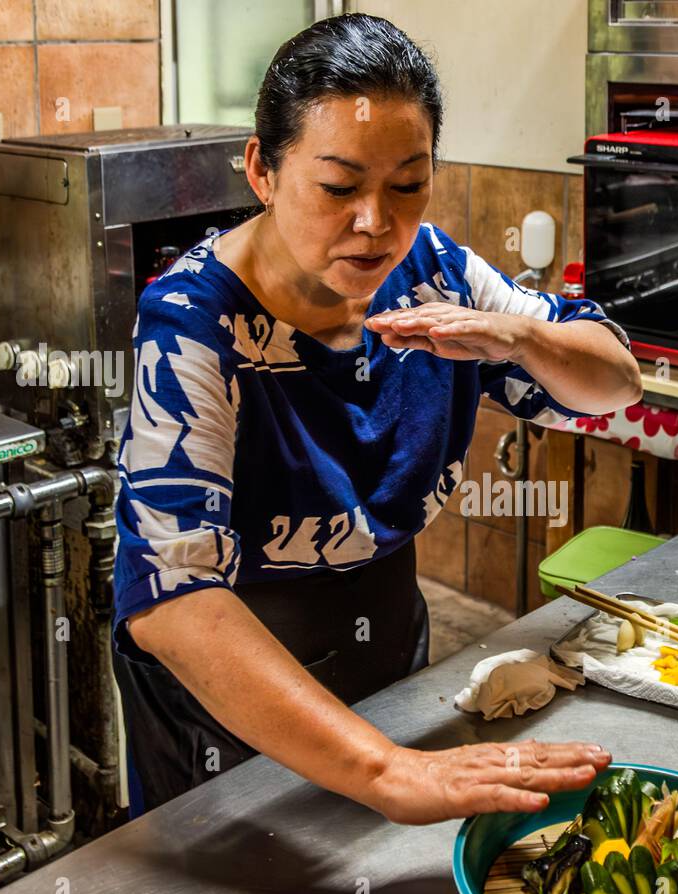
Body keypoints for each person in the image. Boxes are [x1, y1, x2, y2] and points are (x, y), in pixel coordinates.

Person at [112, 14, 641, 822]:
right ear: (261, 169)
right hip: (231, 694)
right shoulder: (194, 321)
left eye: (407, 184)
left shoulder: (435, 272)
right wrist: (390, 774)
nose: (376, 223)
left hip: (385, 645)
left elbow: (615, 384)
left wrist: (518, 335)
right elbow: (175, 603)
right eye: (338, 187)